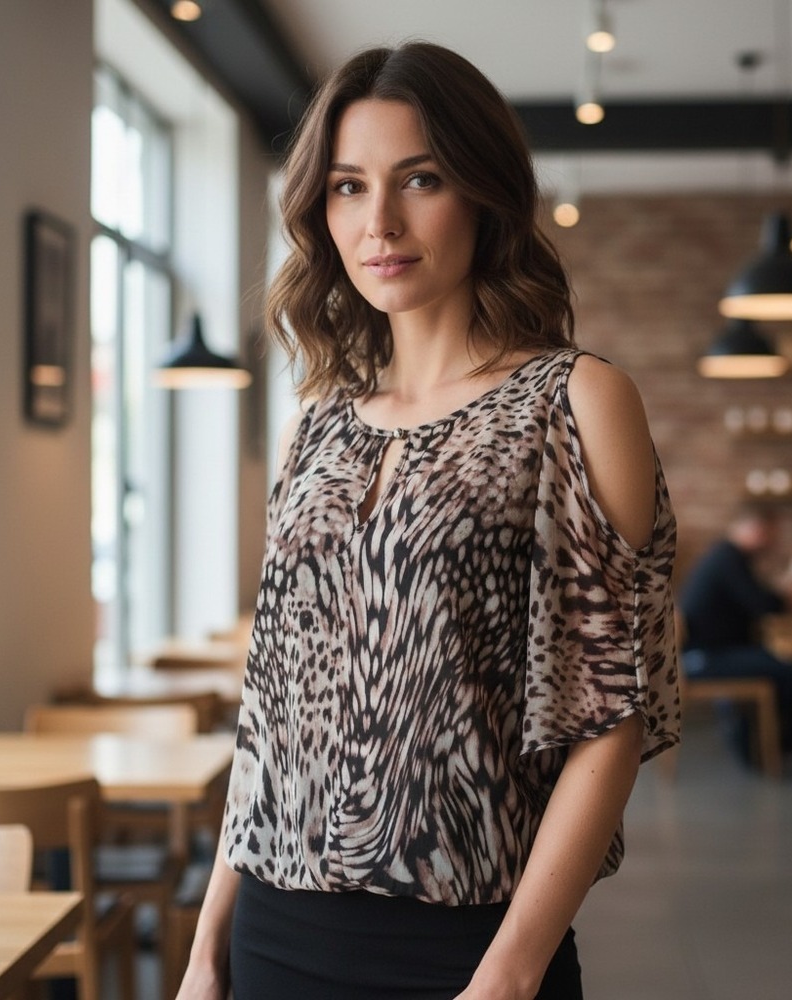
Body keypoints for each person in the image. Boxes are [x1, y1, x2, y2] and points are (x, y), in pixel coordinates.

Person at [177, 41, 679, 1000]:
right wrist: (206, 951)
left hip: (466, 948)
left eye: (421, 179)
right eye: (347, 187)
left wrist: (511, 972)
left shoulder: (576, 400)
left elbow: (612, 718)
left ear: (484, 192)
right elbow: (271, 711)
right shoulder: (314, 424)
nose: (381, 223)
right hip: (273, 933)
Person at [678, 504, 792, 760]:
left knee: (783, 662)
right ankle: (784, 745)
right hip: (705, 658)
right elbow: (764, 606)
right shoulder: (729, 558)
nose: (773, 541)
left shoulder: (725, 555)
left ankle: (762, 742)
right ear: (757, 529)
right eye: (772, 533)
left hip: (707, 652)